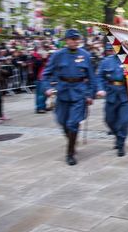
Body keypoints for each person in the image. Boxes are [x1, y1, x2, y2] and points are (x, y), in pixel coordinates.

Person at [42, 29, 97, 166]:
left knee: (73, 123)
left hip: (79, 92)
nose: (75, 41)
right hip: (62, 92)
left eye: (77, 39)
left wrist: (90, 94)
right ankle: (72, 139)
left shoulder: (85, 55)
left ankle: (70, 153)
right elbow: (46, 74)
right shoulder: (57, 55)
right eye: (72, 39)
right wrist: (47, 88)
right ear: (66, 40)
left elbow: (91, 77)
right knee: (62, 121)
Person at [96, 44, 128, 157]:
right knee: (109, 120)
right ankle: (118, 135)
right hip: (111, 94)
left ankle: (121, 143)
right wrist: (101, 89)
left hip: (124, 95)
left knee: (124, 121)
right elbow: (100, 77)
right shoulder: (106, 61)